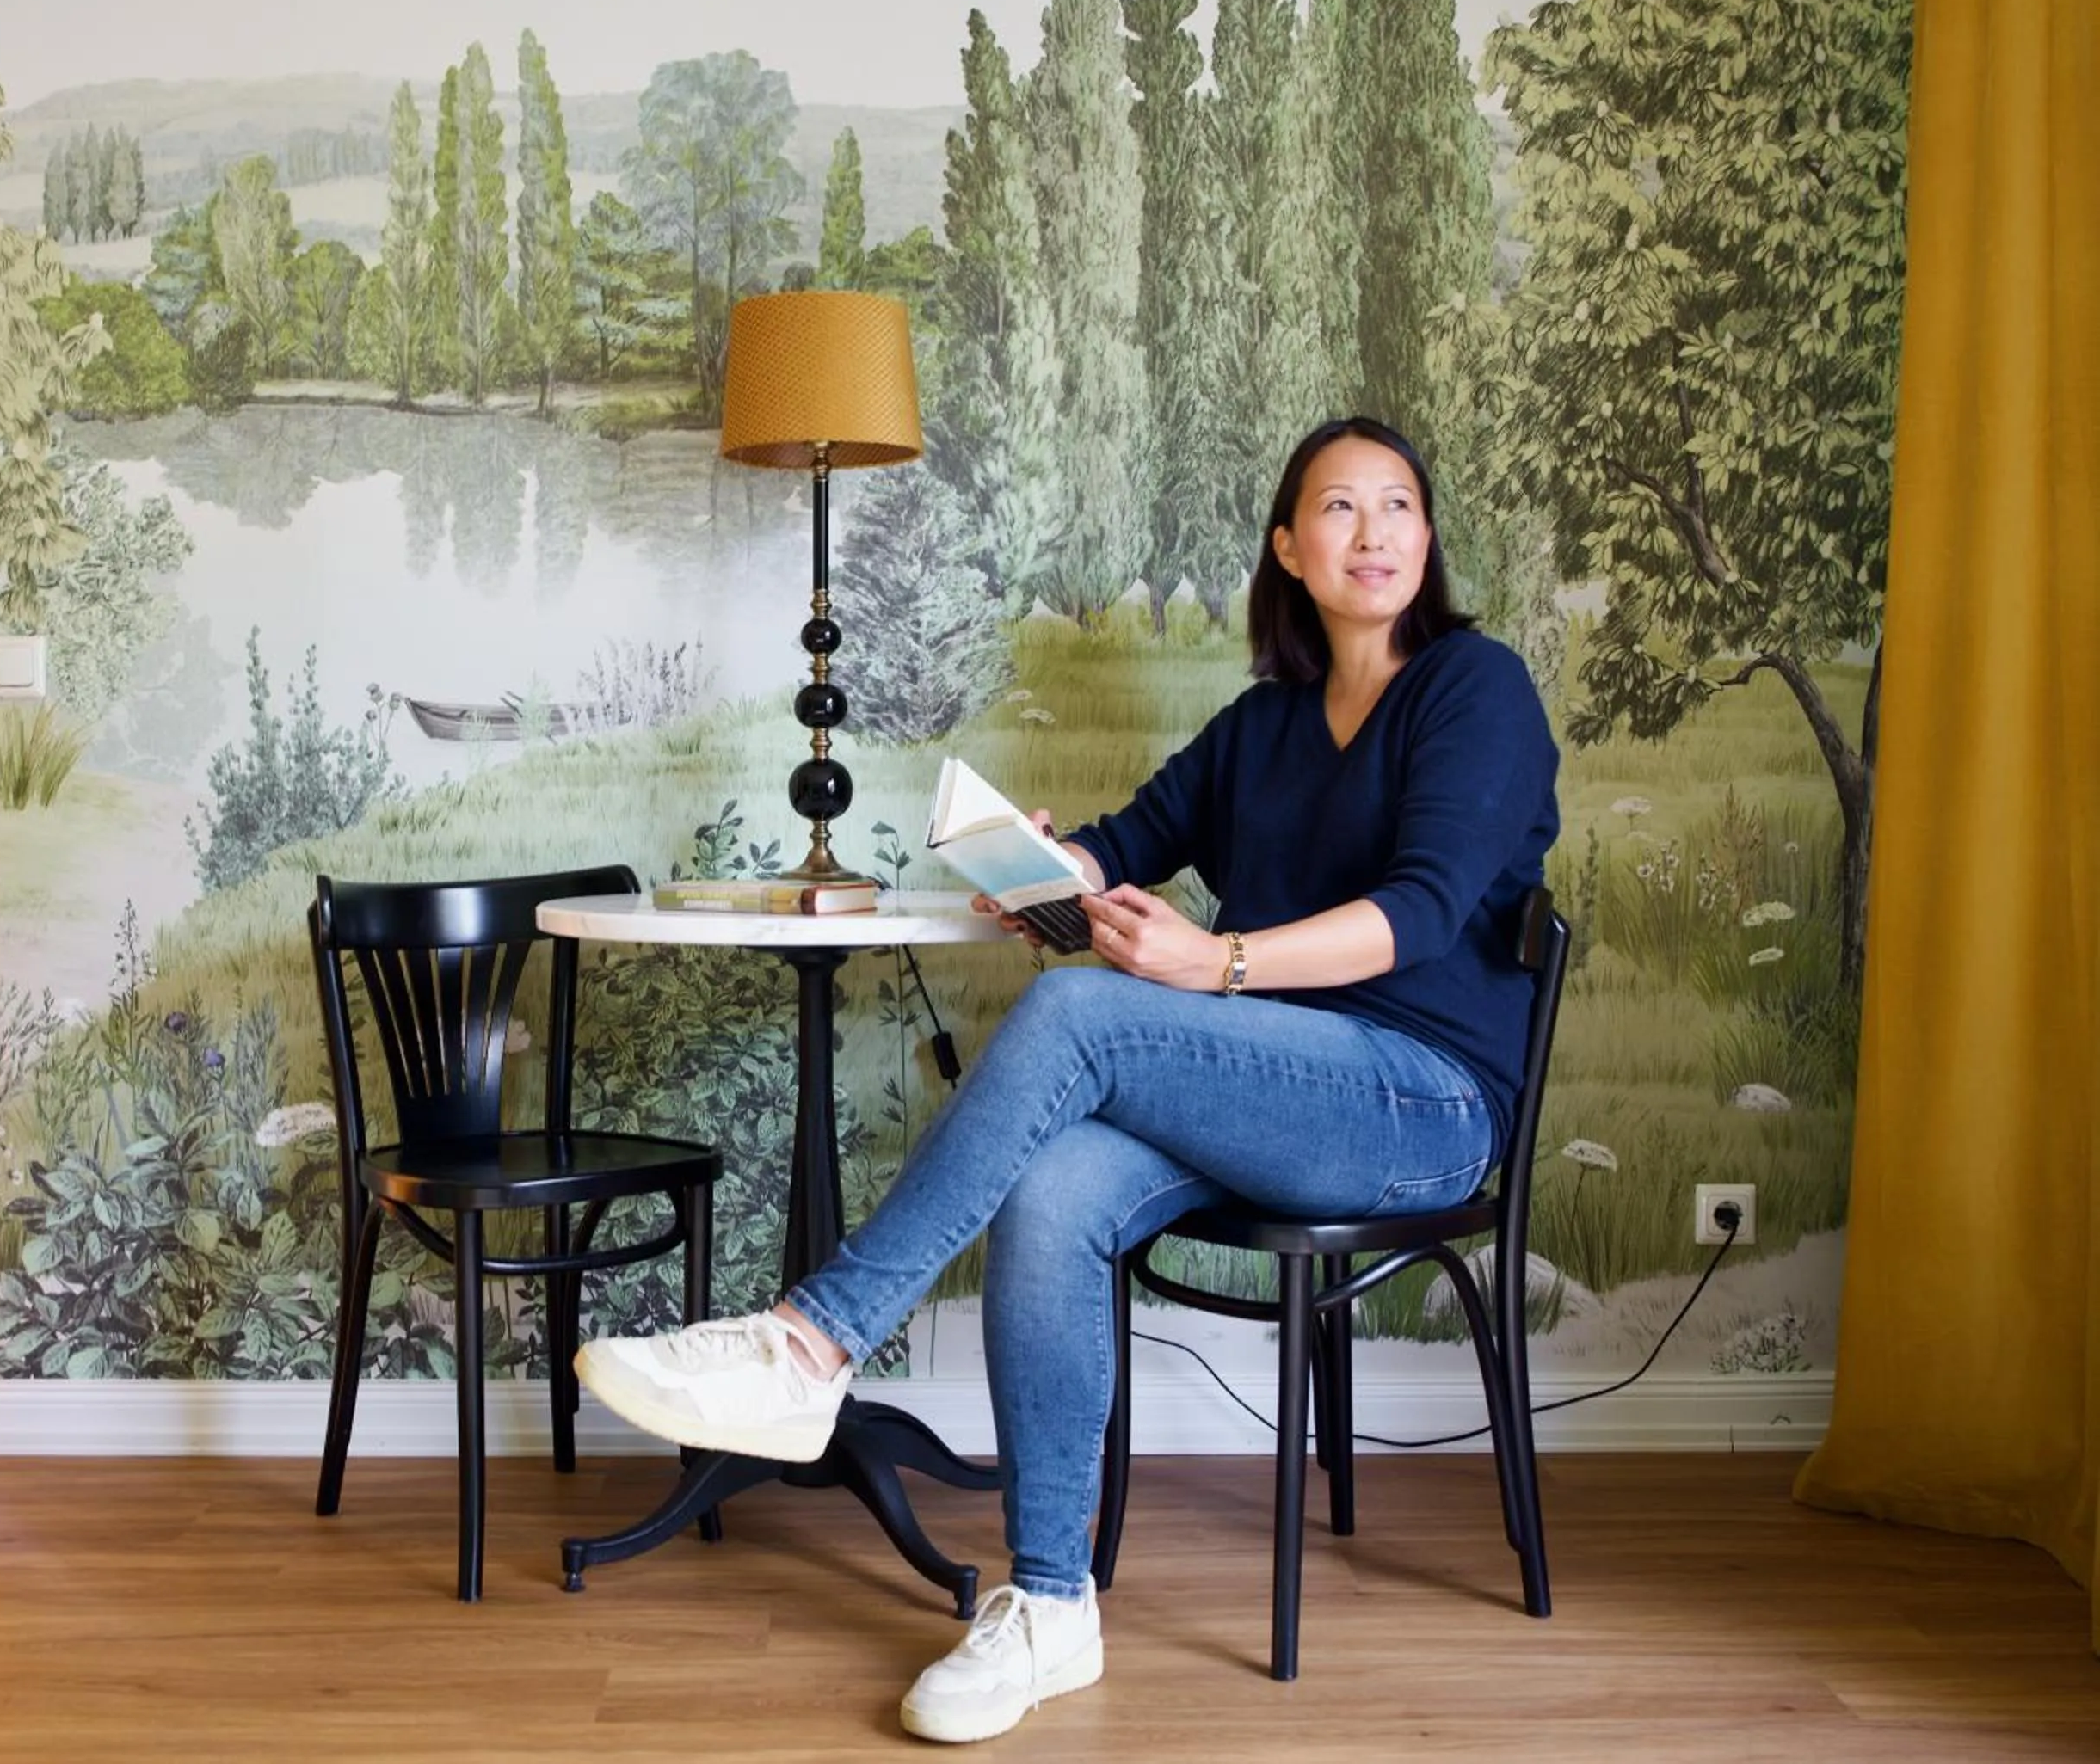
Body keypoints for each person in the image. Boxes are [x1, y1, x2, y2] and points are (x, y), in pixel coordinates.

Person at [575, 415, 1561, 1744]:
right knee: (1051, 1194)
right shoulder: (1266, 721)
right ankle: (1052, 1605)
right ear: (1288, 545)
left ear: (1426, 539)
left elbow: (1427, 913)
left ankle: (809, 1343)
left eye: (1398, 505)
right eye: (1340, 507)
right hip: (1267, 1089)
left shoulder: (1472, 688)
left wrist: (1213, 960)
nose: (1375, 531)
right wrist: (1050, 870)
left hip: (1417, 1100)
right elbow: (1131, 837)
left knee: (1088, 1016)